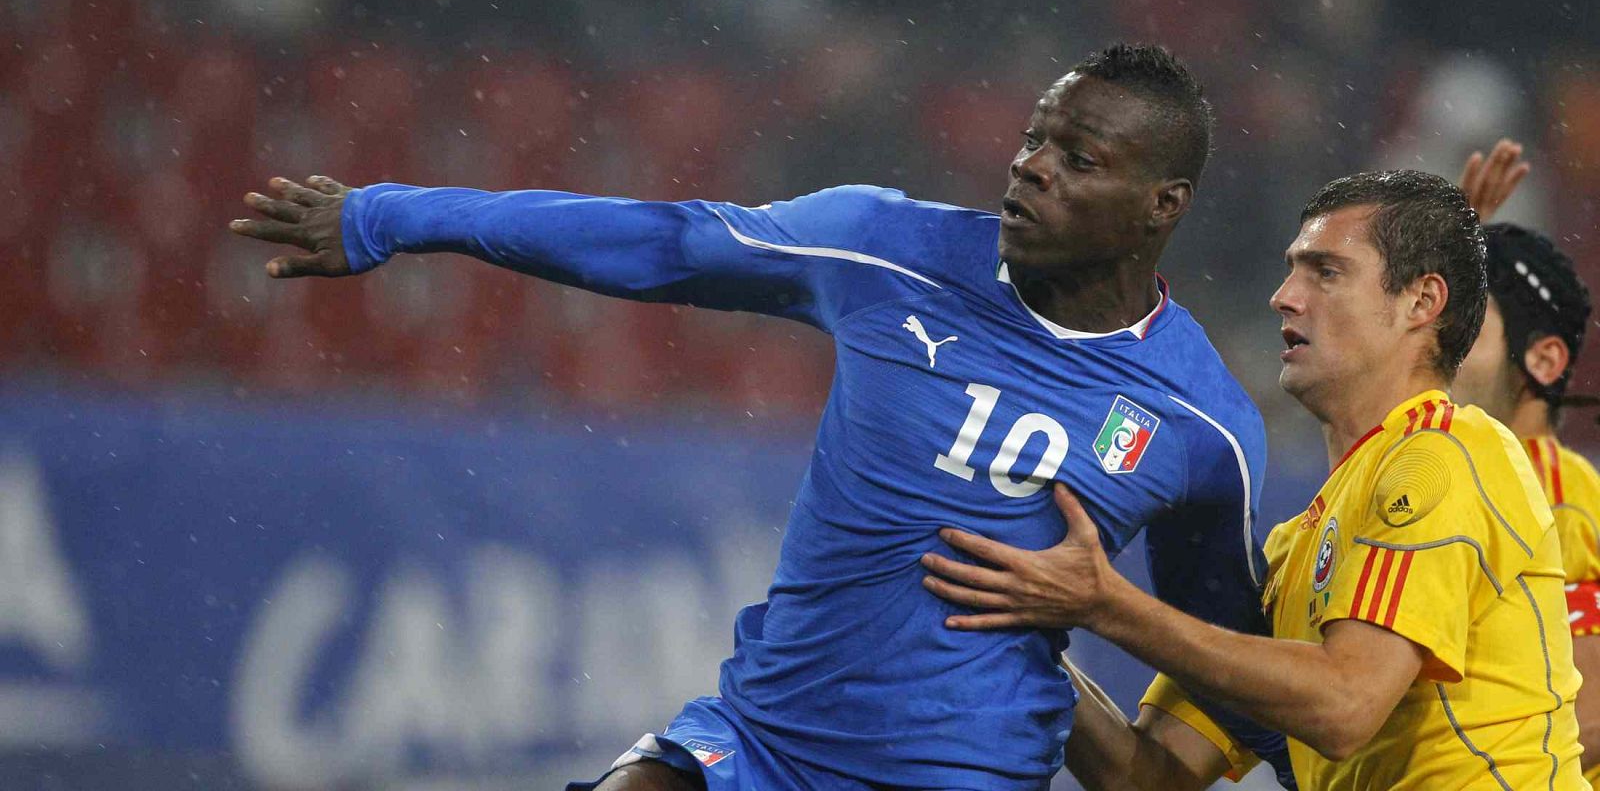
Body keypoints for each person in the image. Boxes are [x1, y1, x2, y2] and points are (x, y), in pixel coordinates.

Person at [229, 44, 1293, 790]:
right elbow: (663, 242)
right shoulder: (884, 248)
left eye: (1079, 160)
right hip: (758, 741)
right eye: (1033, 138)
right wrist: (391, 214)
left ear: (1163, 207)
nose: (1031, 166)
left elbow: (1226, 654)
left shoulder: (1199, 423)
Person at [920, 169, 1586, 790]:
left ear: (1421, 300)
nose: (1284, 296)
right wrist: (1024, 612)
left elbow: (1346, 704)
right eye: (1292, 269)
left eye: (1325, 271)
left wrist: (1103, 604)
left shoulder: (1445, 452)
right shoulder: (1294, 550)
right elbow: (1146, 774)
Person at [1454, 221, 1600, 787]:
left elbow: (1583, 717)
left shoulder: (1555, 499)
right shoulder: (1456, 469)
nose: (1433, 340)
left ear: (1542, 360)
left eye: (1466, 323)